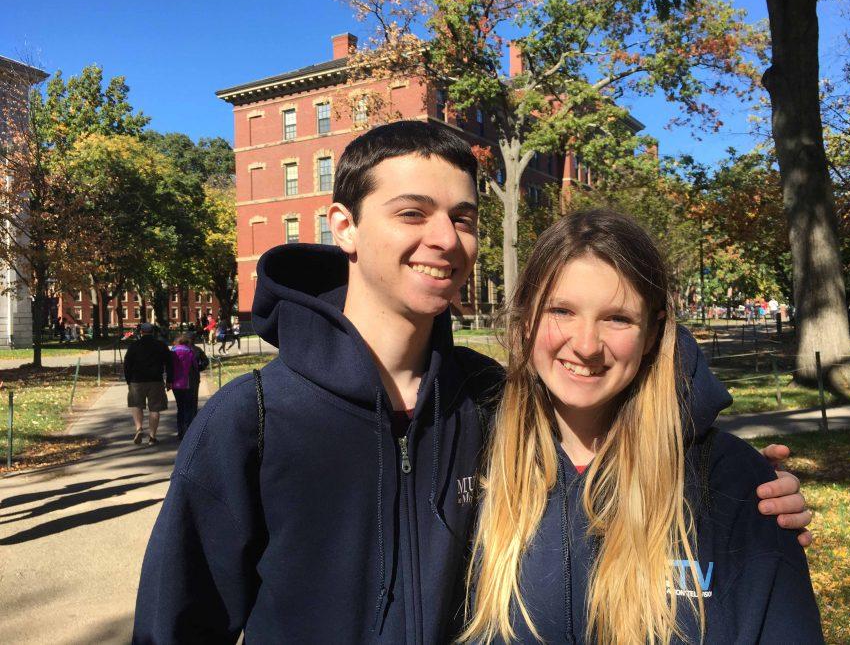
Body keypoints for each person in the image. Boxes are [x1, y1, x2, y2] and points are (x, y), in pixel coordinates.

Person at [133, 121, 811, 643]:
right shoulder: (250, 419)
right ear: (344, 226)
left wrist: (736, 486)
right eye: (411, 212)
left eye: (462, 217)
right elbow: (177, 623)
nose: (445, 238)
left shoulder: (494, 406)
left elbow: (619, 386)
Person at [462, 210, 822, 644]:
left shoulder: (735, 484)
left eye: (618, 318)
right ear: (525, 322)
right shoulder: (469, 458)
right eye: (561, 310)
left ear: (652, 333)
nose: (586, 345)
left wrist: (755, 486)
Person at [124, 322, 172, 446]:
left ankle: (139, 428)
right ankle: (152, 437)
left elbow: (127, 364)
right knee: (155, 408)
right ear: (153, 332)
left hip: (136, 380)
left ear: (141, 332)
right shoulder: (161, 345)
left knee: (136, 405)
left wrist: (128, 380)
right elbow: (169, 363)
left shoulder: (134, 346)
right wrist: (170, 380)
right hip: (155, 380)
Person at [169, 334, 201, 440]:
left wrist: (168, 381)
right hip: (188, 382)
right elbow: (195, 366)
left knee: (180, 407)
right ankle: (188, 430)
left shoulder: (172, 351)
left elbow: (169, 367)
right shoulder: (189, 351)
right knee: (189, 407)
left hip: (176, 383)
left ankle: (180, 430)